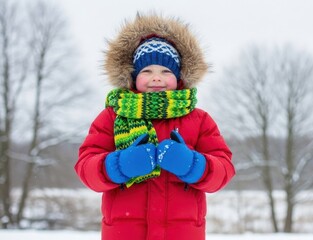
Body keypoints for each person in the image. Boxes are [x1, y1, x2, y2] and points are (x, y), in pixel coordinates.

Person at [75, 13, 235, 240]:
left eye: (166, 71)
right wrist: (120, 164)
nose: (156, 78)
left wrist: (192, 164)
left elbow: (223, 171)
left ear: (179, 77)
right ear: (133, 76)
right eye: (147, 71)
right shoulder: (112, 116)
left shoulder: (199, 120)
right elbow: (86, 169)